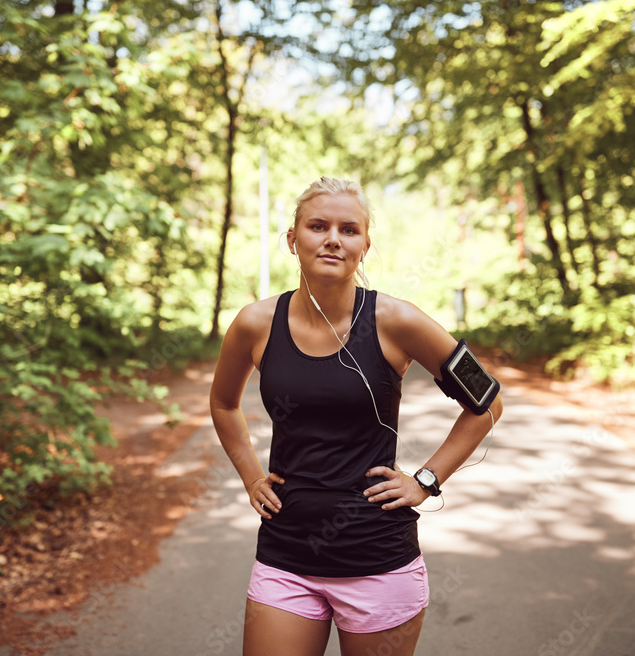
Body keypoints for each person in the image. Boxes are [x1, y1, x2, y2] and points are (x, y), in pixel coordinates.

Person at [209, 176, 504, 656]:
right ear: (292, 239)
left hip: (379, 562)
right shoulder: (254, 324)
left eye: (349, 230)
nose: (332, 239)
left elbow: (487, 402)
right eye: (317, 226)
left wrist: (426, 480)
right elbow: (223, 403)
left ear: (365, 245)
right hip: (286, 556)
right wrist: (249, 477)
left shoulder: (398, 321)